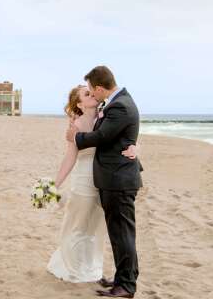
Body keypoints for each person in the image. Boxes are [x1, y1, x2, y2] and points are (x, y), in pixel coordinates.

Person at [66, 66, 143, 298]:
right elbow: (119, 137)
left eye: (91, 89)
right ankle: (123, 279)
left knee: (123, 235)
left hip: (118, 180)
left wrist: (76, 138)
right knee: (120, 234)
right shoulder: (118, 102)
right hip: (115, 178)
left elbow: (103, 136)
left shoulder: (119, 105)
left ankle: (127, 286)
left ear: (99, 88)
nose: (92, 94)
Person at [48, 85, 137, 284]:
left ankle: (91, 267)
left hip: (104, 180)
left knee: (96, 229)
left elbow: (123, 135)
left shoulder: (105, 117)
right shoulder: (76, 125)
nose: (92, 95)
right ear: (79, 103)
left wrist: (135, 146)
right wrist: (54, 185)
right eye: (86, 94)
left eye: (91, 91)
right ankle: (73, 267)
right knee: (78, 226)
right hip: (83, 180)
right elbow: (70, 158)